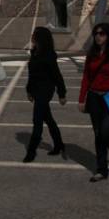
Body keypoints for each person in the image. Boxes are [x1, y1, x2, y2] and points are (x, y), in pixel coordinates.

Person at [78, 22, 109, 182]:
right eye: (96, 34)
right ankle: (101, 170)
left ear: (108, 36)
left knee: (106, 132)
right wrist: (81, 99)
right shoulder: (91, 54)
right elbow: (86, 77)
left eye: (102, 34)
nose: (98, 37)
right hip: (93, 97)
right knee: (98, 134)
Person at [23, 26, 66, 163]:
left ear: (40, 38)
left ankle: (31, 151)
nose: (32, 37)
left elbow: (57, 75)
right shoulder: (34, 52)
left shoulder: (49, 55)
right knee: (48, 118)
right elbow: (31, 75)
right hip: (36, 89)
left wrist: (61, 93)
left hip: (46, 90)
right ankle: (59, 144)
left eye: (34, 35)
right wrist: (29, 91)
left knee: (37, 121)